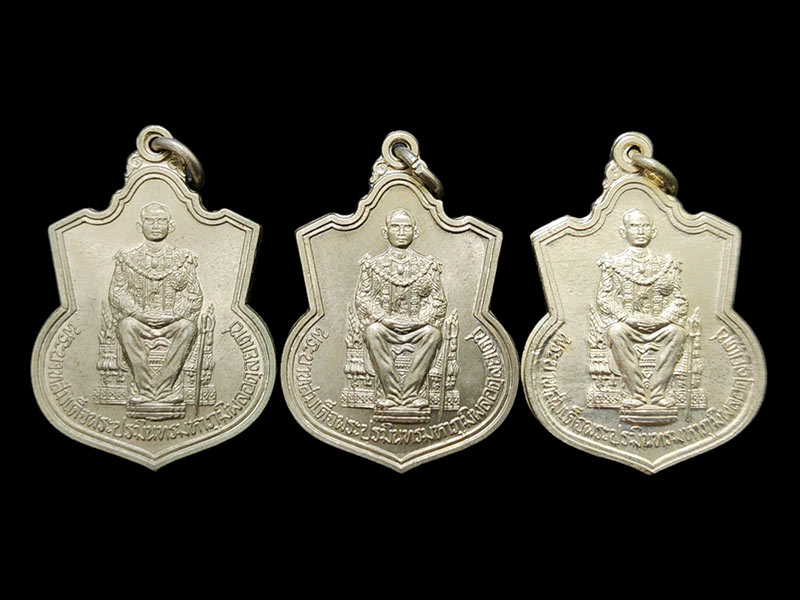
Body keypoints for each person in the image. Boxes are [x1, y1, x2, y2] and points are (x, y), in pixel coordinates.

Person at [109, 202, 202, 406]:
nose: (156, 225)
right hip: (139, 322)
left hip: (172, 322)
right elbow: (117, 293)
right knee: (126, 325)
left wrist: (174, 315)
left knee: (188, 327)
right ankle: (146, 390)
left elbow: (194, 296)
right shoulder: (127, 259)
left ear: (171, 225)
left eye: (161, 221)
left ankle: (163, 389)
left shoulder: (183, 259)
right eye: (150, 221)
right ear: (140, 225)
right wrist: (138, 313)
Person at [596, 209, 687, 409]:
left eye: (645, 226)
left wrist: (663, 319)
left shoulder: (666, 264)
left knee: (677, 332)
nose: (640, 231)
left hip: (660, 325)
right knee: (615, 331)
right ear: (623, 231)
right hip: (628, 325)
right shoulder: (613, 264)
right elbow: (604, 297)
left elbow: (680, 299)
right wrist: (625, 317)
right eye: (634, 226)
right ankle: (637, 395)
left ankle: (657, 394)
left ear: (653, 232)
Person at [355, 209, 446, 409]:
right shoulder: (373, 265)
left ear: (415, 232)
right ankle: (394, 395)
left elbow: (438, 301)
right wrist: (383, 319)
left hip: (417, 328)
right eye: (395, 227)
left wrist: (419, 321)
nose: (401, 232)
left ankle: (410, 395)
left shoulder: (428, 265)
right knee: (372, 331)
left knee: (433, 333)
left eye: (406, 227)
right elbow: (363, 298)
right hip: (386, 327)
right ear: (385, 232)